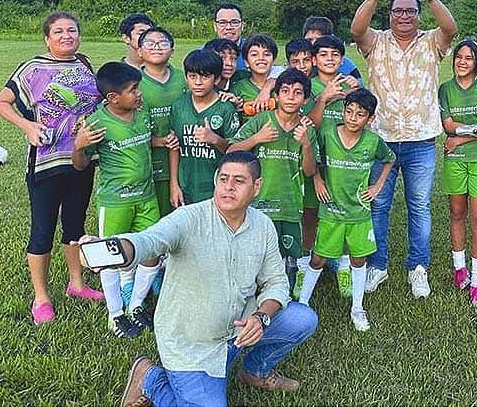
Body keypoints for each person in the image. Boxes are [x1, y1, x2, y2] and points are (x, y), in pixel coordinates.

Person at [75, 151, 317, 407]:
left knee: (302, 319)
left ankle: (254, 371)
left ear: (257, 187)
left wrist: (261, 317)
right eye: (223, 178)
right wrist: (117, 250)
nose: (228, 187)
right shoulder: (189, 218)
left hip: (239, 329)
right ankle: (150, 378)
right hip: (192, 345)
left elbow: (276, 282)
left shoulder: (263, 226)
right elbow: (149, 240)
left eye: (239, 181)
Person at [350, 0, 457, 298]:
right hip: (381, 141)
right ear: (390, 14)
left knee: (419, 206)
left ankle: (418, 268)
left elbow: (450, 28)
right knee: (378, 205)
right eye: (398, 11)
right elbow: (356, 29)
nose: (404, 16)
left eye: (411, 11)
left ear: (418, 15)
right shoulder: (375, 42)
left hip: (421, 140)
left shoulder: (432, 42)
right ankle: (378, 266)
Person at [0, 12, 103, 324]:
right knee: (42, 230)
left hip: (81, 160)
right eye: (59, 31)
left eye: (72, 30)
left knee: (75, 225)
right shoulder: (32, 68)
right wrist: (26, 125)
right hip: (46, 161)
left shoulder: (84, 66)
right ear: (47, 38)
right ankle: (41, 297)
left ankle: (76, 284)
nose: (66, 35)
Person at [72, 62, 162, 336]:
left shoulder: (142, 112)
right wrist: (79, 145)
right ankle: (115, 314)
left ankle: (135, 305)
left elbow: (145, 140)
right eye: (133, 90)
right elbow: (79, 165)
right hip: (116, 201)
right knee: (110, 256)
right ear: (113, 98)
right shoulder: (97, 124)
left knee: (152, 252)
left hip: (147, 197)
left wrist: (164, 141)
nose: (139, 94)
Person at [298, 89, 395, 330]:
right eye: (349, 111)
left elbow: (390, 158)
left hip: (359, 214)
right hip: (331, 211)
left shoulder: (372, 142)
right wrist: (318, 180)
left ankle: (357, 308)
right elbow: (314, 159)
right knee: (318, 258)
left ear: (369, 119)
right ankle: (302, 305)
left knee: (358, 259)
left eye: (359, 114)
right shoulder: (329, 133)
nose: (352, 118)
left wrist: (378, 186)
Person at [229, 69, 318, 287]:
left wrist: (306, 145)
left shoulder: (306, 129)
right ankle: (249, 293)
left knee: (286, 258)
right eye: (285, 91)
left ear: (305, 99)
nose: (290, 97)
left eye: (297, 93)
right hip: (259, 204)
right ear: (275, 96)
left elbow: (309, 171)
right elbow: (231, 151)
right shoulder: (261, 122)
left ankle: (282, 294)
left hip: (289, 204)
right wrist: (257, 138)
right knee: (254, 255)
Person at [298, 35, 360, 298]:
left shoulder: (351, 85)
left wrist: (354, 92)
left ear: (342, 59)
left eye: (335, 54)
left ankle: (344, 266)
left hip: (345, 165)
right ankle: (305, 265)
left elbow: (364, 123)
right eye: (323, 54)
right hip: (316, 162)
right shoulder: (307, 86)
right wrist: (323, 99)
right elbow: (306, 125)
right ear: (314, 59)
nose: (330, 59)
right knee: (310, 214)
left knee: (344, 215)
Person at [438, 38, 477, 307]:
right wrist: (470, 132)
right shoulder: (446, 89)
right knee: (457, 213)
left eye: (469, 58)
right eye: (459, 57)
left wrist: (460, 137)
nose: (462, 62)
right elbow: (448, 125)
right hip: (455, 161)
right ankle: (459, 268)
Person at [169, 49, 240, 207]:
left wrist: (214, 139)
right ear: (186, 77)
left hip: (214, 187)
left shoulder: (225, 108)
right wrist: (174, 184)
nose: (198, 82)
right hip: (185, 185)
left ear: (217, 79)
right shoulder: (179, 106)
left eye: (205, 76)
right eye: (193, 76)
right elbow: (174, 147)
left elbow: (235, 151)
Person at [138, 27, 186, 217]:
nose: (157, 47)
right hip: (147, 164)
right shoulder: (132, 83)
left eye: (163, 43)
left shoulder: (185, 78)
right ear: (140, 50)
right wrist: (158, 141)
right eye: (150, 43)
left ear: (172, 50)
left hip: (183, 161)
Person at [231, 34, 280, 122]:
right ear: (246, 62)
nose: (261, 58)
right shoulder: (238, 88)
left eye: (267, 54)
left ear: (274, 59)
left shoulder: (283, 85)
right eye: (254, 54)